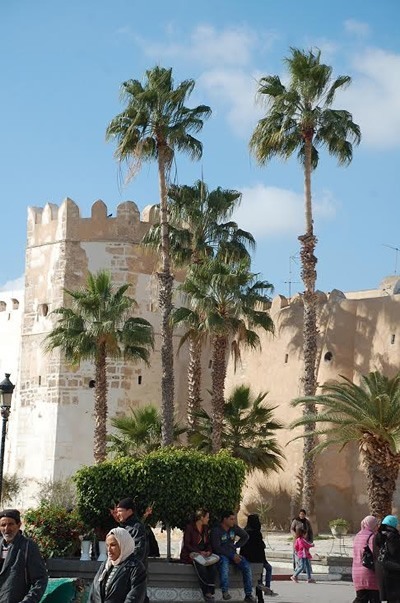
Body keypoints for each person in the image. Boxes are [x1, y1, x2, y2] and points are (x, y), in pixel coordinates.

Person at [0, 508, 48, 603]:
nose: (6, 529)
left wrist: (28, 601)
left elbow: (40, 579)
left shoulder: (28, 546)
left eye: (10, 524)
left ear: (19, 525)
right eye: (3, 525)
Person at [88, 526, 147, 603]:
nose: (109, 550)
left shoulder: (135, 567)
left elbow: (135, 597)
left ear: (123, 544)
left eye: (113, 545)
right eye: (107, 545)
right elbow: (93, 594)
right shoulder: (105, 566)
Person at [211, 510, 254, 602]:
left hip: (233, 554)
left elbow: (245, 536)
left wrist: (236, 545)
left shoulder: (234, 528)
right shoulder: (216, 530)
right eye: (231, 519)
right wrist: (231, 555)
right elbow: (217, 548)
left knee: (246, 566)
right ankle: (225, 591)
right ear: (224, 519)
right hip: (222, 555)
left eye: (234, 519)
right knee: (224, 566)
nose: (233, 521)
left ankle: (248, 594)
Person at [181, 508, 217, 601]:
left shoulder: (205, 528)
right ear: (201, 517)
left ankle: (211, 590)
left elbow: (208, 543)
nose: (208, 519)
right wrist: (199, 552)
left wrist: (208, 551)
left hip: (203, 554)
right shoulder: (190, 528)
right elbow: (187, 544)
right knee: (201, 566)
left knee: (213, 566)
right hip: (191, 554)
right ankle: (206, 592)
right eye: (207, 517)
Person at [240, 514, 278, 597]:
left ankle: (262, 591)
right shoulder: (256, 533)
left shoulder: (245, 532)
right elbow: (260, 547)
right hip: (258, 559)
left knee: (258, 578)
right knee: (267, 569)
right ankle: (267, 587)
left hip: (247, 558)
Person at [351, 515, 380, 603]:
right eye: (376, 525)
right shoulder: (372, 537)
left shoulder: (357, 536)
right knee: (375, 598)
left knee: (361, 598)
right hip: (369, 572)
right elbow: (376, 554)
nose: (377, 527)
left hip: (356, 572)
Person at [374, 514, 400, 603]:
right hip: (392, 571)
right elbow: (394, 552)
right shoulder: (393, 536)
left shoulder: (379, 534)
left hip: (382, 568)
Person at [116, 498, 147, 563]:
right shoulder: (124, 527)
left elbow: (138, 551)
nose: (117, 514)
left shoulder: (136, 528)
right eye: (117, 512)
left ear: (129, 511)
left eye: (120, 511)